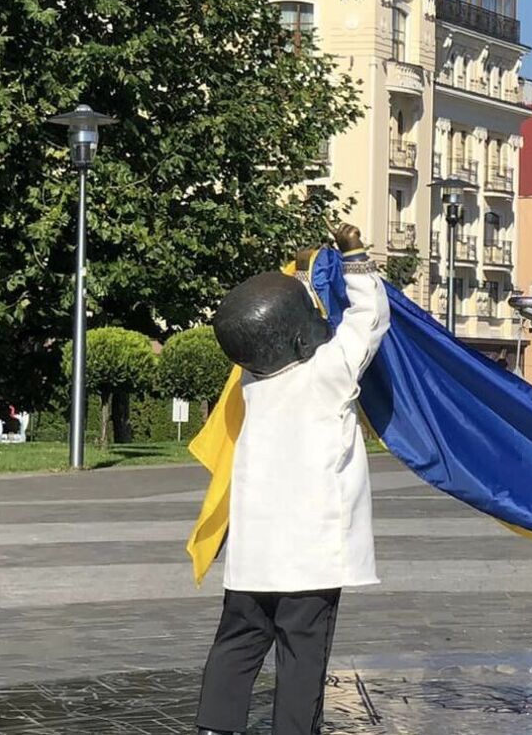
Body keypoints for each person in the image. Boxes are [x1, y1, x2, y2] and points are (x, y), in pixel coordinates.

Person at [194, 233, 390, 735]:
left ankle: (215, 727)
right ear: (306, 340)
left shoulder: (252, 384)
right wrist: (355, 262)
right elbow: (367, 322)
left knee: (237, 642)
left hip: (254, 556)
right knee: (303, 654)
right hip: (311, 555)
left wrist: (303, 274)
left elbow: (284, 329)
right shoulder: (328, 374)